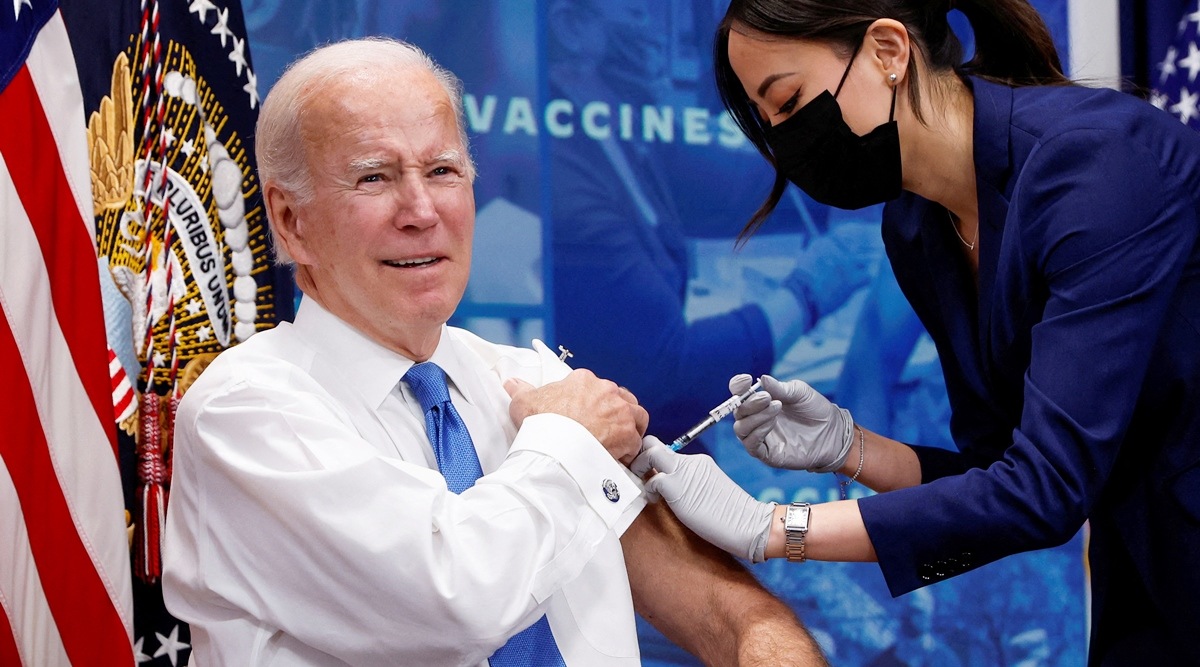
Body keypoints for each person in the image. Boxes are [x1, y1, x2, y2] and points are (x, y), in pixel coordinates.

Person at [161, 37, 827, 666]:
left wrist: (769, 636)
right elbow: (453, 598)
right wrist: (567, 437)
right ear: (290, 219)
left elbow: (721, 609)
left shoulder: (531, 379)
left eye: (443, 170)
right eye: (373, 177)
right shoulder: (244, 411)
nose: (421, 209)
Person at [631, 1, 1200, 665]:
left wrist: (775, 526)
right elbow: (999, 473)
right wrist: (851, 447)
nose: (786, 144)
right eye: (767, 125)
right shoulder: (917, 227)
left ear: (888, 52)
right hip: (1151, 588)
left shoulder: (1097, 164)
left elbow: (1044, 490)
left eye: (787, 103)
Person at [546, 0, 874, 443]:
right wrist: (810, 291)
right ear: (571, 27)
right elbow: (669, 366)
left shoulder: (614, 133)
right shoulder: (566, 178)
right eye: (639, 12)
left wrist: (847, 169)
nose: (656, 37)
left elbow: (730, 185)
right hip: (614, 438)